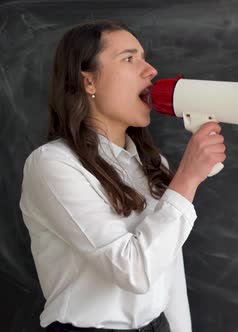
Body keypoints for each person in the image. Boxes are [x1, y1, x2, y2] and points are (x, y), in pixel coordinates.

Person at [19, 20, 226, 332]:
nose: (151, 70)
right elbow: (134, 271)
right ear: (88, 82)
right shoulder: (52, 165)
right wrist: (188, 179)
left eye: (144, 57)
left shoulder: (153, 164)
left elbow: (167, 270)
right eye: (130, 59)